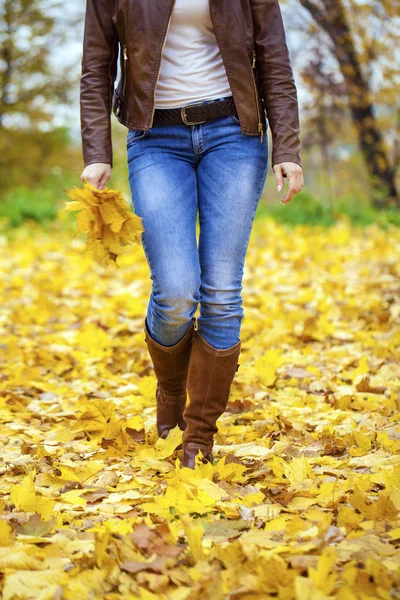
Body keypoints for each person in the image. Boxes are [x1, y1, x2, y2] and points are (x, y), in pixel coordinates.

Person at [80, 0, 304, 469]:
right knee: (177, 291)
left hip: (233, 134)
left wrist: (287, 145)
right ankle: (170, 388)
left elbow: (274, 58)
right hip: (154, 138)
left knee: (221, 290)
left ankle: (198, 438)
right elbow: (96, 64)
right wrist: (97, 151)